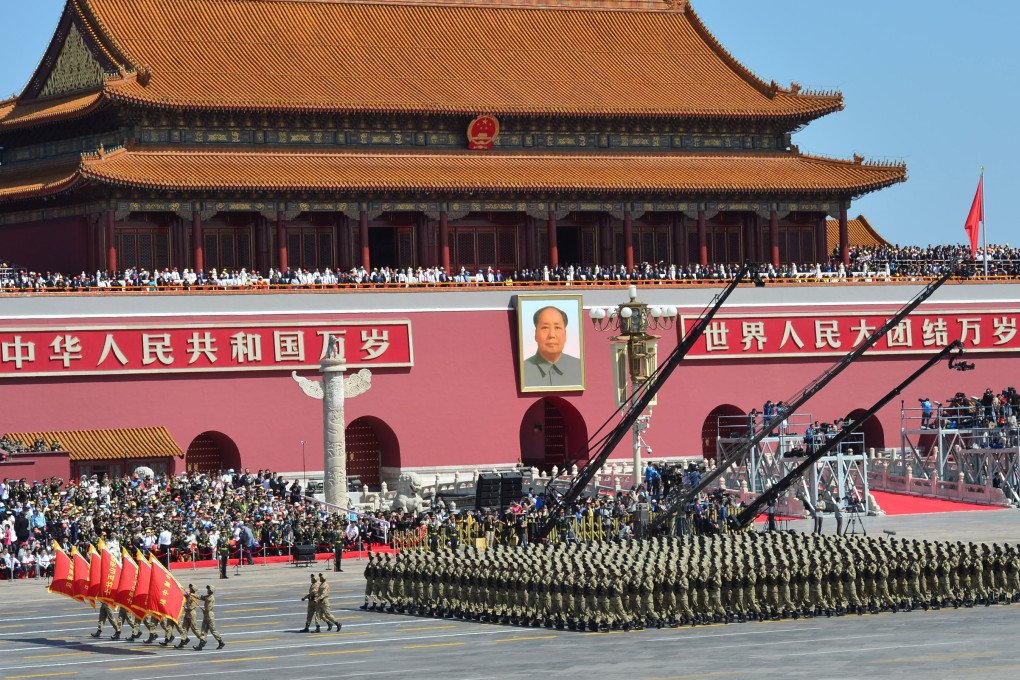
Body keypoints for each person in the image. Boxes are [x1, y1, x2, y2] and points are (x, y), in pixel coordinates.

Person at [521, 306, 582, 388]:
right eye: (545, 328)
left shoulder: (580, 368)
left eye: (557, 328)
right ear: (536, 334)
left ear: (565, 334)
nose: (552, 335)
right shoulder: (522, 370)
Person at [193, 584, 224, 650]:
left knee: (213, 630)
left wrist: (204, 610)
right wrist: (192, 595)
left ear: (211, 590)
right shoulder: (208, 596)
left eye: (209, 589)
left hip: (209, 616)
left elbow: (208, 608)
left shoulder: (211, 598)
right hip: (206, 616)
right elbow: (200, 597)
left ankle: (221, 642)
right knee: (203, 630)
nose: (207, 590)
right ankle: (201, 645)